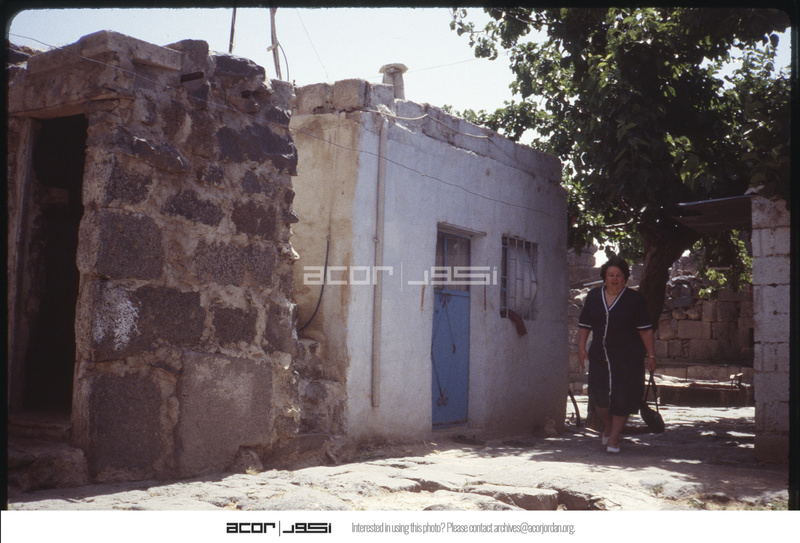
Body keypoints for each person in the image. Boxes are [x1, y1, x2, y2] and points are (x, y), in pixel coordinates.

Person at [577, 255, 657, 453]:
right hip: (599, 355)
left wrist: (651, 356)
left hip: (627, 358)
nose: (614, 279)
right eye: (610, 275)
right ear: (604, 277)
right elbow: (584, 325)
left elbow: (645, 330)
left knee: (623, 397)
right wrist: (581, 348)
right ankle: (608, 425)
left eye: (618, 275)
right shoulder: (594, 296)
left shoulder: (634, 299)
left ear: (625, 277)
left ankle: (613, 439)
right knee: (599, 398)